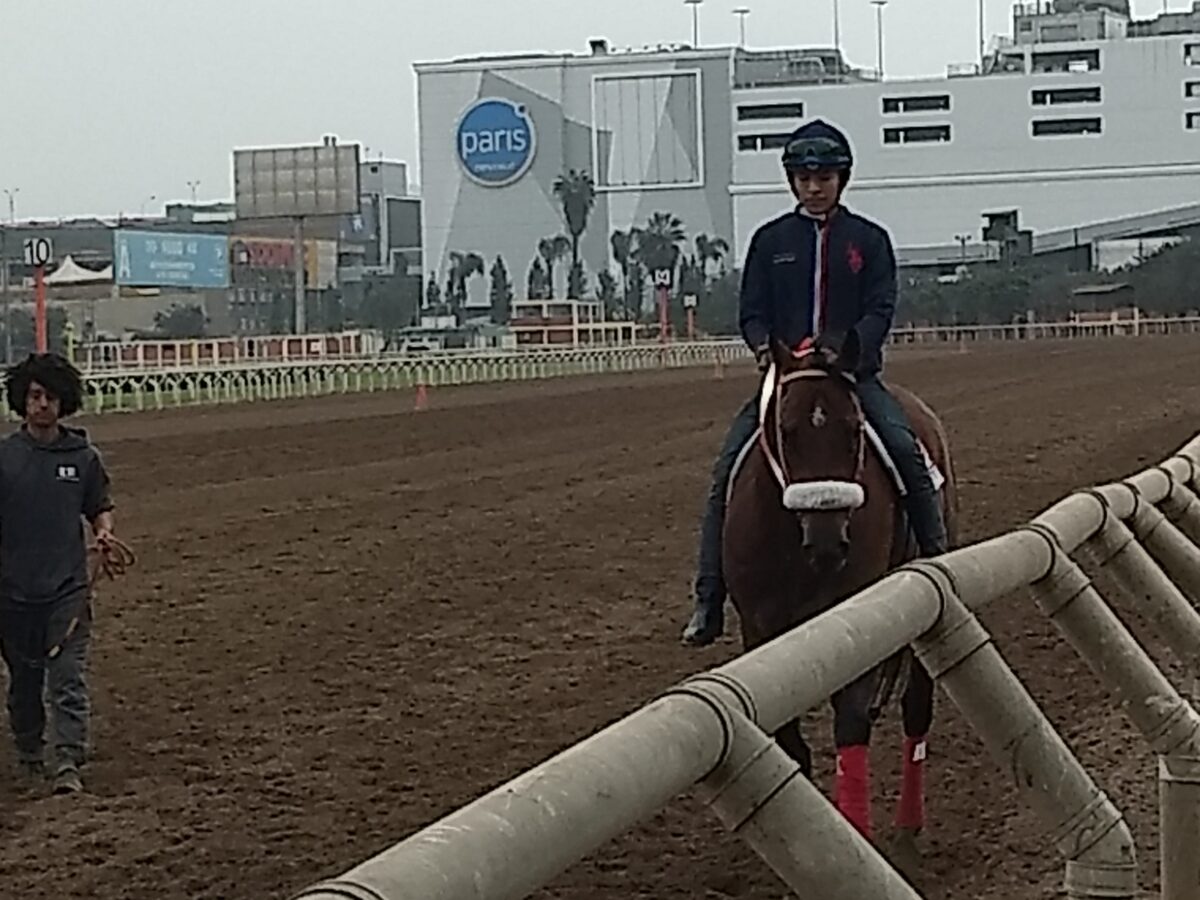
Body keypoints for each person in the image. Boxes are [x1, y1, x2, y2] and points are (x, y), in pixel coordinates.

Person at [681, 118, 948, 647]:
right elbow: (752, 311)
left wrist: (848, 347)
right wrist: (764, 345)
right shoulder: (770, 241)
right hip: (786, 380)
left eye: (824, 177)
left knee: (906, 452)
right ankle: (709, 599)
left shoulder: (868, 240)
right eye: (804, 178)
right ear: (792, 182)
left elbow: (880, 308)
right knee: (726, 473)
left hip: (851, 376)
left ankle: (943, 572)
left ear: (841, 179)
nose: (814, 187)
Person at [0, 352, 114, 794]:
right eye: (34, 396)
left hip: (68, 589)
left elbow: (99, 506)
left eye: (49, 396)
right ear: (21, 401)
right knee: (25, 682)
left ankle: (68, 759)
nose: (42, 404)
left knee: (67, 677)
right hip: (12, 592)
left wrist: (103, 533)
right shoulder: (5, 458)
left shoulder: (83, 457)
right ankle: (30, 752)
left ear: (64, 401)